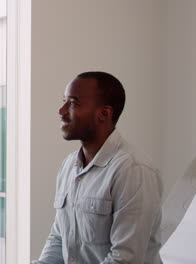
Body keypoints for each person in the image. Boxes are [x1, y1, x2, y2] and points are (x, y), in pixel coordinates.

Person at [32, 72, 162, 264]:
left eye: (73, 103)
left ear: (104, 114)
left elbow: (125, 259)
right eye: (64, 101)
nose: (61, 110)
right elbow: (59, 240)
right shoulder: (69, 166)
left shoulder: (133, 169)